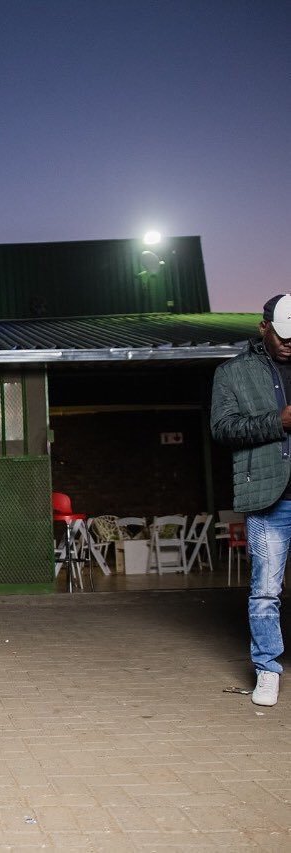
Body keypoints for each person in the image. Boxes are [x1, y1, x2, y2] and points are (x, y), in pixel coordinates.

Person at [210, 294, 291, 707]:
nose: (290, 343)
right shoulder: (233, 373)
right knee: (265, 590)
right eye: (283, 335)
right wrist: (279, 421)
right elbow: (223, 429)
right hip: (268, 496)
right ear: (264, 327)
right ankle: (267, 671)